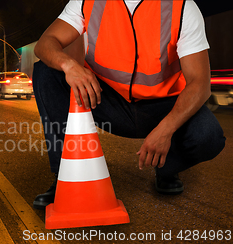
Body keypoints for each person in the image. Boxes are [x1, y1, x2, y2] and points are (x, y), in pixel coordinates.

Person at [32, 0, 226, 210]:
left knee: (209, 136)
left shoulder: (182, 7)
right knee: (47, 72)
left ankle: (167, 168)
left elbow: (200, 83)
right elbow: (46, 43)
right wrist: (69, 65)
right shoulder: (87, 1)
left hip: (162, 107)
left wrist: (165, 130)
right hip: (104, 98)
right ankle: (65, 177)